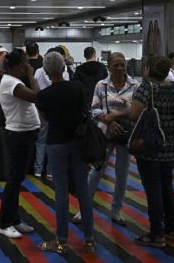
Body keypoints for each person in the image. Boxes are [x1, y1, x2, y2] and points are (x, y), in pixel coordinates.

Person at [119, 55, 174, 247]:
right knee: (166, 186)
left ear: (148, 69)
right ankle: (171, 228)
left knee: (153, 189)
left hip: (150, 147)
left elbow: (133, 114)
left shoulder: (146, 88)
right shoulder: (173, 88)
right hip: (170, 146)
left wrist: (120, 110)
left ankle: (156, 233)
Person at [35, 51, 95, 255]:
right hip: (77, 143)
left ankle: (61, 240)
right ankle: (89, 239)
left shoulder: (44, 96)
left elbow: (45, 119)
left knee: (61, 192)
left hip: (56, 143)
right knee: (83, 191)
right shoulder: (77, 87)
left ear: (46, 71)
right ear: (63, 68)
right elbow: (83, 109)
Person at [73, 52, 138, 226]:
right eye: (116, 65)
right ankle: (83, 209)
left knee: (122, 174)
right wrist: (107, 122)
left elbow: (137, 110)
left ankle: (116, 211)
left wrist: (115, 116)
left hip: (125, 135)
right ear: (108, 66)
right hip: (104, 134)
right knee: (96, 171)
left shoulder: (134, 85)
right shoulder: (101, 85)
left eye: (122, 64)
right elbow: (94, 109)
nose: (119, 68)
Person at [0, 49, 40, 239]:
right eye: (26, 64)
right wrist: (31, 75)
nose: (28, 67)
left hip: (25, 133)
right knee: (14, 180)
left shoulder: (14, 81)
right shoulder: (12, 83)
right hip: (18, 134)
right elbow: (38, 97)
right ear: (18, 65)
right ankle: (4, 223)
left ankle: (14, 218)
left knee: (18, 178)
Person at [32, 46, 70, 179]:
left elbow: (35, 87)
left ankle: (38, 169)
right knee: (56, 139)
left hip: (42, 107)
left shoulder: (38, 71)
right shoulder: (64, 73)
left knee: (41, 139)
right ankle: (51, 170)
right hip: (59, 108)